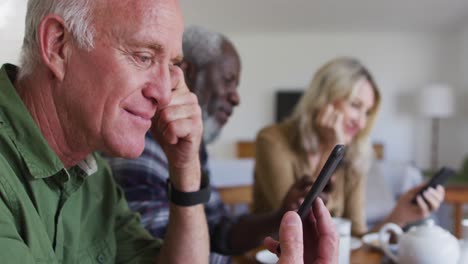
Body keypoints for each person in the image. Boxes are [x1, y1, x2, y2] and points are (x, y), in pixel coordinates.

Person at [0, 0, 337, 263]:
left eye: (173, 65)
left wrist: (186, 170)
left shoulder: (92, 173)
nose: (164, 93)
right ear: (58, 45)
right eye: (144, 56)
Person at [107, 26, 326, 263]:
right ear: (186, 73)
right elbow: (166, 253)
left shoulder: (192, 146)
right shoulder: (139, 149)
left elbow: (218, 229)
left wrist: (280, 216)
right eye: (228, 80)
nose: (236, 97)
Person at [252, 56, 445, 236]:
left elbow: (357, 237)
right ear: (324, 99)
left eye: (367, 112)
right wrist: (331, 150)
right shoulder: (272, 140)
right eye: (355, 105)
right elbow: (297, 227)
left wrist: (400, 214)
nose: (361, 122)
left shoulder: (354, 152)